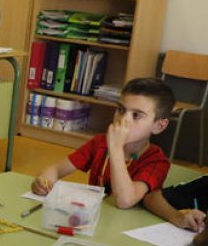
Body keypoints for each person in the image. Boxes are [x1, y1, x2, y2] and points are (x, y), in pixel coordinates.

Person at [33, 78, 174, 209]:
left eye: (136, 115)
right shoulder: (99, 143)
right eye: (121, 110)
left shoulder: (157, 162)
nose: (123, 119)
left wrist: (116, 148)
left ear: (159, 126)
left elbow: (125, 200)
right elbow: (56, 169)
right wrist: (44, 182)